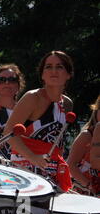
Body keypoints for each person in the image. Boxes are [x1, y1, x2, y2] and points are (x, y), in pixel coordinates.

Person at [4, 50, 74, 192]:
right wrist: (33, 157)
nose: (53, 70)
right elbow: (9, 134)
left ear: (68, 74)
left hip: (53, 172)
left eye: (59, 67)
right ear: (42, 74)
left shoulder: (67, 104)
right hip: (24, 173)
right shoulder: (32, 97)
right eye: (48, 67)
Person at [67, 94, 100, 195]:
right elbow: (70, 164)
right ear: (96, 111)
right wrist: (89, 185)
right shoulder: (86, 135)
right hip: (81, 189)